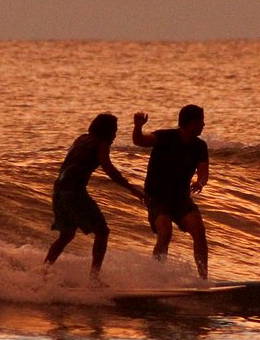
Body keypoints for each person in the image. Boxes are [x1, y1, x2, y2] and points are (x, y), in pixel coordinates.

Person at [44, 113, 146, 280]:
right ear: (106, 131)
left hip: (58, 191)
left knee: (66, 235)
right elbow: (109, 168)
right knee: (102, 232)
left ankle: (43, 272)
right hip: (73, 192)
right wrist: (131, 188)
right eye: (114, 131)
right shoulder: (101, 143)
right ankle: (94, 279)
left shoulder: (81, 138)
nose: (115, 136)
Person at [132, 104, 210, 279]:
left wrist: (200, 182)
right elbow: (140, 141)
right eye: (201, 121)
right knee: (165, 231)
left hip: (180, 198)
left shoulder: (200, 146)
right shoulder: (164, 137)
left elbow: (203, 173)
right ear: (191, 122)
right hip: (156, 196)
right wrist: (138, 126)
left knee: (198, 231)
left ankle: (203, 279)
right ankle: (156, 277)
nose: (204, 125)